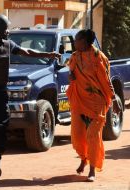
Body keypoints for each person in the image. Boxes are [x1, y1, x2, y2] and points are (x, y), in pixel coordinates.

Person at [0, 15, 61, 180]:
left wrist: (47, 54)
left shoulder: (8, 44)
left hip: (1, 94)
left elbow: (26, 51)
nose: (8, 31)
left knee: (0, 127)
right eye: (6, 28)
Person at [66, 29, 120, 182]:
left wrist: (114, 100)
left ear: (85, 41)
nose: (74, 42)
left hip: (97, 102)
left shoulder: (99, 58)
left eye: (77, 40)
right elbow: (72, 74)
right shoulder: (75, 57)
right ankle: (84, 158)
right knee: (77, 135)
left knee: (92, 136)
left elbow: (106, 80)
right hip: (79, 100)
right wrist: (71, 77)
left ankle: (92, 170)